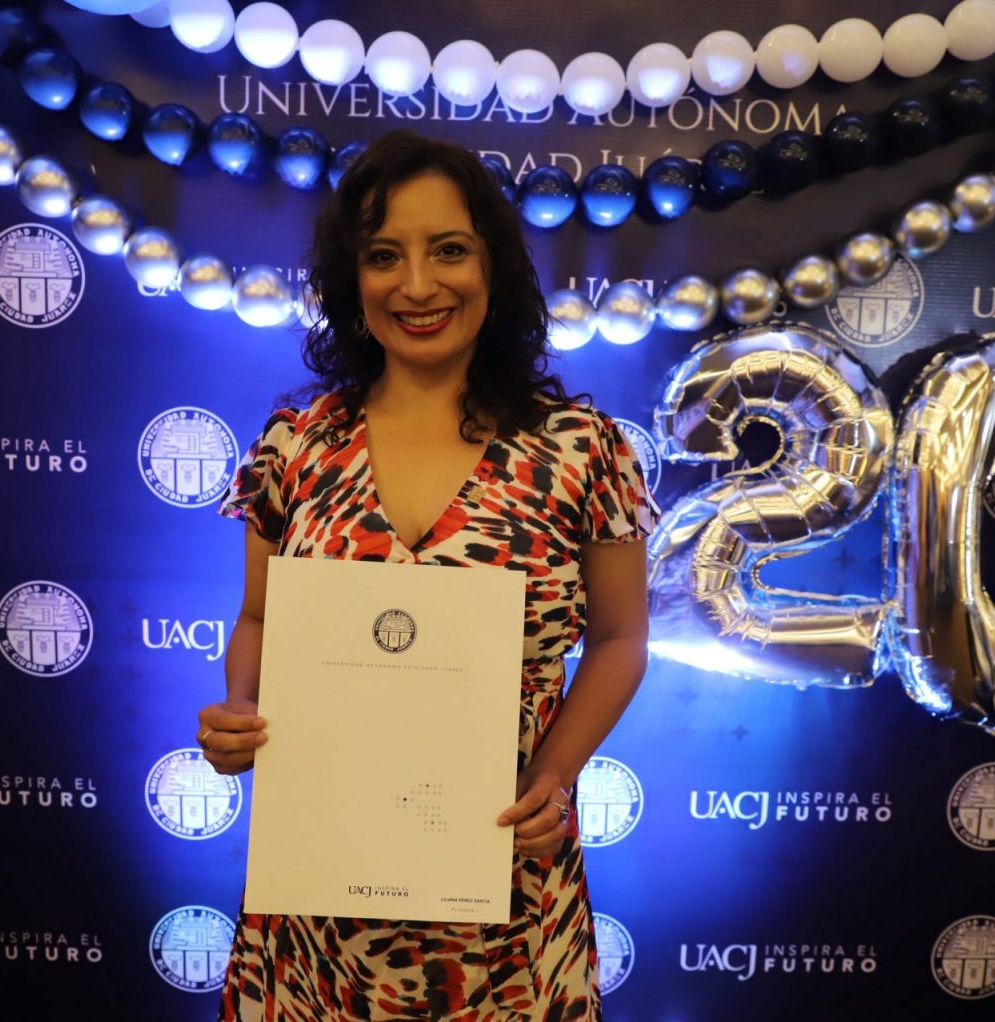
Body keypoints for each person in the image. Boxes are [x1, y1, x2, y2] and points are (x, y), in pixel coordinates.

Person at [197, 129, 658, 1021]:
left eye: (448, 250)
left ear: (494, 267)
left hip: (509, 892)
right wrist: (241, 713)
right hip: (320, 912)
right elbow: (259, 619)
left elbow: (621, 637)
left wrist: (552, 778)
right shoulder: (296, 446)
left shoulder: (582, 451)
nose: (416, 286)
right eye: (383, 256)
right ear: (351, 278)